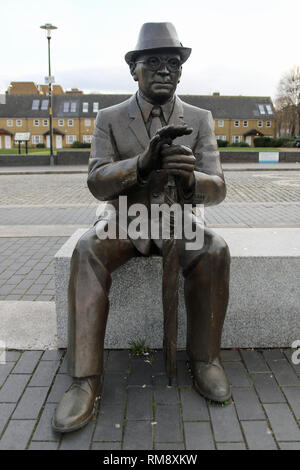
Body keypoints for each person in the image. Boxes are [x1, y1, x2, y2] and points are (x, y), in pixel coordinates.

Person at [52, 22, 231, 433]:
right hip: (125, 220)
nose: (165, 70)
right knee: (87, 251)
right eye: (153, 61)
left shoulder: (200, 119)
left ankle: (205, 359)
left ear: (182, 71)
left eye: (173, 62)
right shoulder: (110, 118)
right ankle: (85, 379)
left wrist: (190, 181)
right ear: (134, 68)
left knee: (215, 250)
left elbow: (218, 187)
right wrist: (141, 165)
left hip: (177, 220)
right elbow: (97, 181)